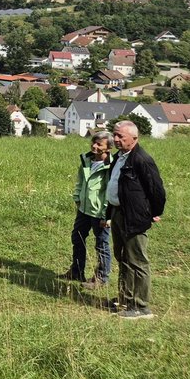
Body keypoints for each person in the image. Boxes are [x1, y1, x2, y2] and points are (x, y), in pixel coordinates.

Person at [107, 121, 166, 319]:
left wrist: (154, 212)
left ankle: (141, 307)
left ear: (134, 139)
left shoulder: (142, 159)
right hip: (117, 213)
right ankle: (125, 299)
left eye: (121, 137)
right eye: (115, 135)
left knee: (137, 261)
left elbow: (156, 189)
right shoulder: (119, 157)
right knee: (122, 257)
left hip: (134, 217)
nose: (115, 139)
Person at [62, 131, 112, 287]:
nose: (94, 146)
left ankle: (101, 278)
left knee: (101, 244)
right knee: (77, 238)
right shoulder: (87, 160)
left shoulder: (110, 165)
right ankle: (76, 272)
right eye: (93, 142)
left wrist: (106, 214)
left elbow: (110, 191)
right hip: (83, 209)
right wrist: (77, 197)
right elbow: (80, 181)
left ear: (109, 148)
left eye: (99, 144)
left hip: (100, 212)